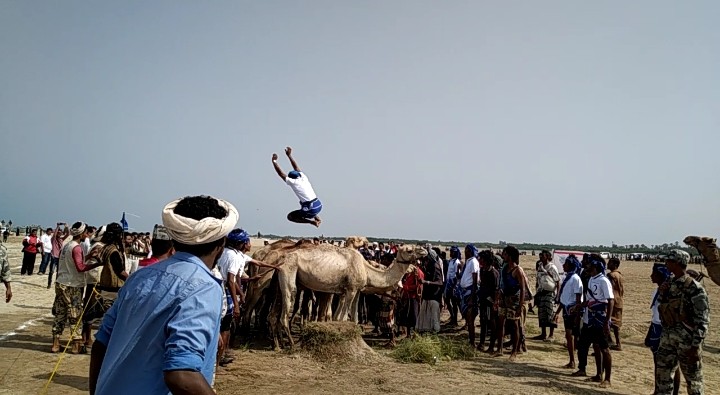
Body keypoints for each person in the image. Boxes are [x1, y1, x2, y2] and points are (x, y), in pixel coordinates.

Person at [89, 195, 238, 395]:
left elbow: (101, 343)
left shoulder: (140, 277)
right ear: (221, 244)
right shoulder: (204, 287)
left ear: (174, 239)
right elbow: (181, 376)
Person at [655, 250, 709, 395]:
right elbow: (663, 306)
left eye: (669, 261)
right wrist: (661, 293)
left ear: (677, 263)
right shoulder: (669, 283)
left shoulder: (695, 288)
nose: (666, 263)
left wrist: (696, 346)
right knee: (663, 378)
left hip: (687, 340)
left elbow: (702, 319)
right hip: (668, 337)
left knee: (693, 380)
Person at [51, 222, 103, 354]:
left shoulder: (67, 245)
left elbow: (75, 260)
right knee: (75, 314)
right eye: (86, 232)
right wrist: (98, 263)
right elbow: (80, 267)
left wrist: (89, 257)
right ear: (81, 234)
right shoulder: (77, 247)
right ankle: (76, 344)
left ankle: (56, 344)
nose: (87, 234)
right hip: (72, 285)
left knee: (60, 313)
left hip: (61, 283)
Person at [573, 255, 614, 388]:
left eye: (590, 264)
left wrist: (607, 321)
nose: (587, 265)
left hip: (599, 319)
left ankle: (607, 378)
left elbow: (610, 301)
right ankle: (594, 373)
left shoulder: (603, 281)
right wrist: (580, 306)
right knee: (585, 345)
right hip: (588, 318)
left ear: (595, 266)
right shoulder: (591, 279)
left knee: (604, 348)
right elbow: (590, 298)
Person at [647, 263, 681, 395]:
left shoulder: (671, 292)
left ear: (660, 275)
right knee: (657, 362)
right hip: (656, 328)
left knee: (672, 364)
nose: (651, 276)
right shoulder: (656, 291)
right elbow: (655, 314)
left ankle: (675, 392)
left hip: (666, 329)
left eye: (653, 273)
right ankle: (658, 389)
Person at [271, 146, 322, 227]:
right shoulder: (303, 176)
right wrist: (289, 155)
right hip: (318, 204)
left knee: (291, 217)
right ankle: (316, 217)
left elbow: (281, 174)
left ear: (291, 178)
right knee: (302, 203)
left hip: (311, 207)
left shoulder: (293, 182)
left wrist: (274, 161)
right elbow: (296, 167)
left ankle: (312, 222)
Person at [494, 246, 527, 361]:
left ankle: (514, 351)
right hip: (504, 299)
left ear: (510, 256)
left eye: (505, 254)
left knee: (515, 326)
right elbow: (501, 285)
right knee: (500, 322)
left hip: (514, 301)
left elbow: (523, 289)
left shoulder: (517, 270)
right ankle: (500, 349)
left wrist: (520, 305)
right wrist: (497, 299)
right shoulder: (504, 268)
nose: (503, 255)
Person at [554, 254, 583, 369]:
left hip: (573, 312)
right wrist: (557, 312)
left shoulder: (575, 279)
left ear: (570, 265)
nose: (563, 265)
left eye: (565, 264)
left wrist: (576, 315)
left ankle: (576, 362)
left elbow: (578, 297)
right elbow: (564, 298)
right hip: (567, 310)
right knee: (568, 336)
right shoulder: (568, 278)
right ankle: (571, 360)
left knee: (573, 336)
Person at [96, 223, 128, 311]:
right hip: (112, 289)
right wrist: (131, 279)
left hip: (105, 286)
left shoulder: (107, 247)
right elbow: (119, 271)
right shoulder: (113, 251)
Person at [533, 250, 560, 341]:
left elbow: (557, 281)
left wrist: (557, 295)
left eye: (543, 256)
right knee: (542, 313)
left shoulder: (552, 267)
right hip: (541, 291)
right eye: (540, 256)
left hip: (550, 292)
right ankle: (543, 333)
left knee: (550, 312)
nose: (541, 258)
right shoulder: (540, 266)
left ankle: (551, 335)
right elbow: (538, 279)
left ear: (548, 257)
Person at [417, 248, 444, 334]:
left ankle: (435, 332)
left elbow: (440, 282)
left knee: (434, 316)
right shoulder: (428, 266)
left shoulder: (435, 266)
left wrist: (426, 282)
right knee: (425, 315)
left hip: (434, 296)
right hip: (428, 295)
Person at [457, 244, 480, 345]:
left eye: (467, 250)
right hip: (465, 291)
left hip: (470, 291)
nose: (465, 252)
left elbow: (475, 279)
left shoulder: (473, 262)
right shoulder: (468, 262)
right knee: (467, 315)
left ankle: (472, 341)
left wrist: (472, 296)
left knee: (470, 318)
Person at [477, 250, 499, 353]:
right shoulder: (483, 271)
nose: (479, 260)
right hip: (483, 300)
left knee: (492, 322)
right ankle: (481, 343)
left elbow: (496, 290)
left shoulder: (493, 273)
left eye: (481, 258)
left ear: (485, 260)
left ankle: (491, 346)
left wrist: (494, 302)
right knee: (483, 321)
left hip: (490, 302)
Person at [606, 257, 624, 351]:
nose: (608, 264)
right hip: (619, 300)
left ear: (615, 265)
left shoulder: (611, 275)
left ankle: (609, 342)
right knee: (616, 323)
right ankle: (618, 343)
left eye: (610, 263)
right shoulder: (620, 275)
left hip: (613, 300)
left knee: (608, 321)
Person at [444, 246, 462, 327]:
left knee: (454, 302)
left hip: (453, 284)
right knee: (447, 300)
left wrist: (454, 286)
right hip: (448, 283)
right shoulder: (451, 261)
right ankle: (452, 316)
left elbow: (456, 275)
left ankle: (455, 320)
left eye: (452, 252)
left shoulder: (457, 262)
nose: (450, 253)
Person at [48, 223, 70, 289]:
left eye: (60, 233)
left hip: (60, 258)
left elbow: (68, 234)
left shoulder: (61, 239)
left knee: (59, 272)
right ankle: (49, 283)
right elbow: (54, 235)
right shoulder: (53, 239)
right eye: (58, 233)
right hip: (54, 257)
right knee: (51, 271)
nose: (59, 234)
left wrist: (66, 226)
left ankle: (57, 282)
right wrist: (57, 226)